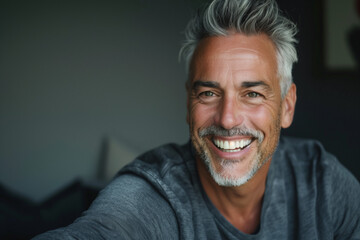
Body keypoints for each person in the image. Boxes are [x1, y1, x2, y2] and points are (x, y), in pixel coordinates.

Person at [34, 0, 360, 239]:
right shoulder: (150, 195)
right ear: (189, 103)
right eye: (209, 94)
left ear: (287, 107)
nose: (228, 119)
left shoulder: (322, 183)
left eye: (252, 94)